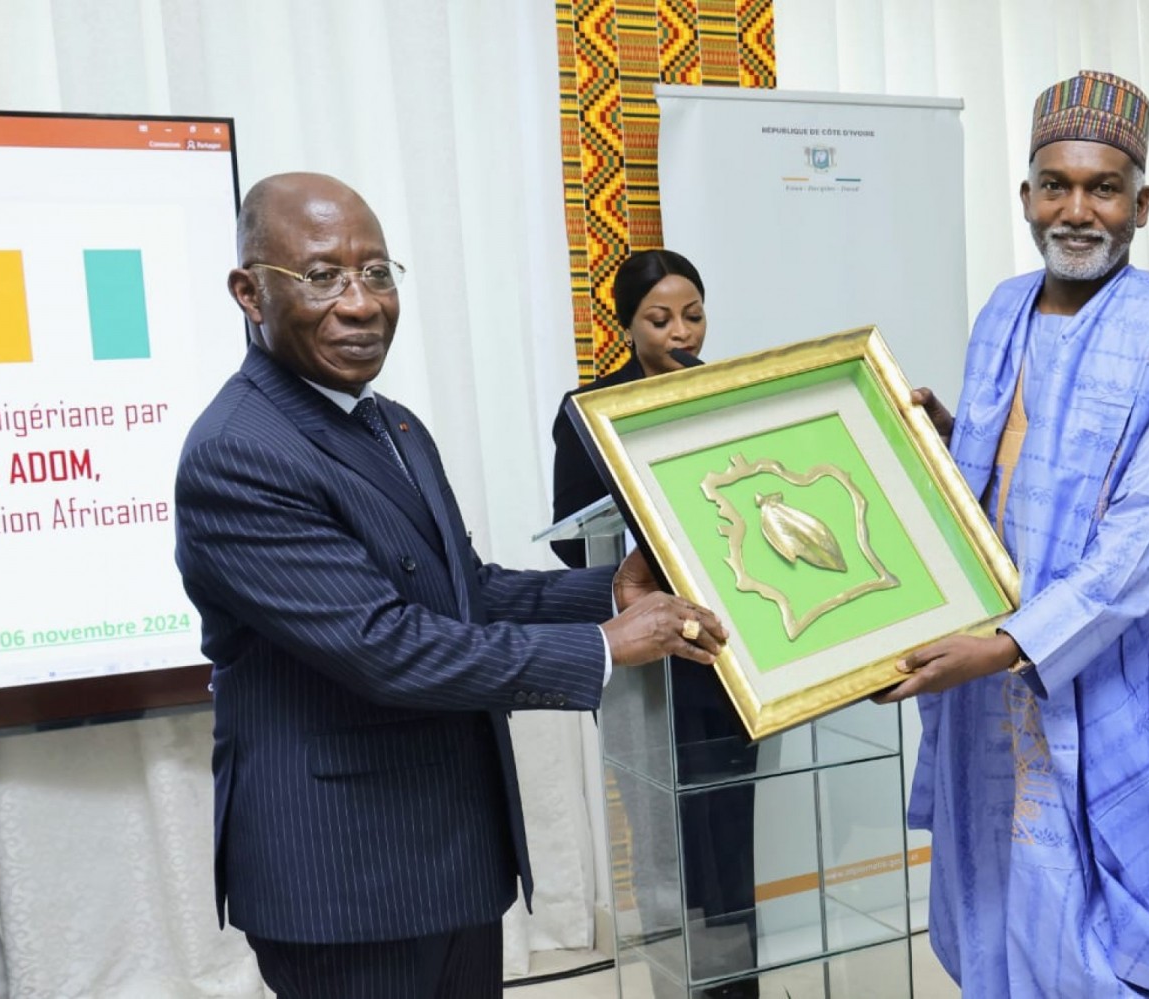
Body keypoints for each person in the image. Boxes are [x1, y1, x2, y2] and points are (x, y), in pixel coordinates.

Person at [174, 172, 727, 999]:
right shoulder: (241, 451)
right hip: (345, 881)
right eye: (322, 276)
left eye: (378, 272)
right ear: (249, 293)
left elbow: (464, 589)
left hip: (449, 855)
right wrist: (603, 646)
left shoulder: (389, 423)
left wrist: (609, 593)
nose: (361, 303)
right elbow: (384, 646)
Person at [879, 72, 1149, 996]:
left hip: (1107, 672)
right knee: (1001, 891)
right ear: (1026, 197)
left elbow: (1143, 544)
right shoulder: (1003, 312)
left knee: (1100, 918)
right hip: (989, 680)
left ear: (1142, 202)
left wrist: (1006, 645)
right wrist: (944, 441)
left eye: (1103, 188)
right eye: (1056, 184)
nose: (1078, 209)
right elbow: (1006, 473)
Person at [550, 249, 760, 998]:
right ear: (626, 325)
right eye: (660, 318)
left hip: (730, 646)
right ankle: (680, 982)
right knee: (664, 830)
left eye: (694, 314)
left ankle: (740, 984)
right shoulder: (588, 409)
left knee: (730, 830)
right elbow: (577, 541)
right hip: (646, 653)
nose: (682, 331)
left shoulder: (724, 393)